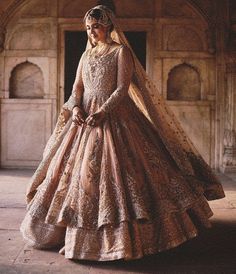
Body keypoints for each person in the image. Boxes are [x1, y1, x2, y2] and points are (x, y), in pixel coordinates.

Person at [20, 5, 225, 261]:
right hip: (84, 120)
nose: (91, 31)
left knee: (124, 174)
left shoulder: (121, 52)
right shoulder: (86, 56)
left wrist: (104, 112)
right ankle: (70, 236)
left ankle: (125, 239)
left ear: (108, 25)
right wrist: (75, 109)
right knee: (77, 178)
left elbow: (121, 89)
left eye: (95, 26)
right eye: (88, 27)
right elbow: (77, 89)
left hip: (116, 117)